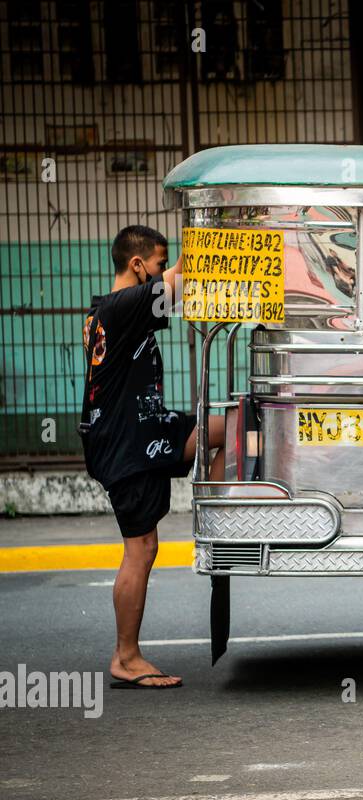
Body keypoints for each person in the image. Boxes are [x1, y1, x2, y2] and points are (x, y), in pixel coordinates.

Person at [79, 225, 226, 689]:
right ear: (139, 265)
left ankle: (221, 523)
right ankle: (125, 656)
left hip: (150, 426)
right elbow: (184, 278)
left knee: (237, 423)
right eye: (160, 264)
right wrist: (221, 237)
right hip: (127, 444)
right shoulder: (123, 306)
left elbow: (179, 292)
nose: (164, 271)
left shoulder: (117, 310)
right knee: (140, 549)